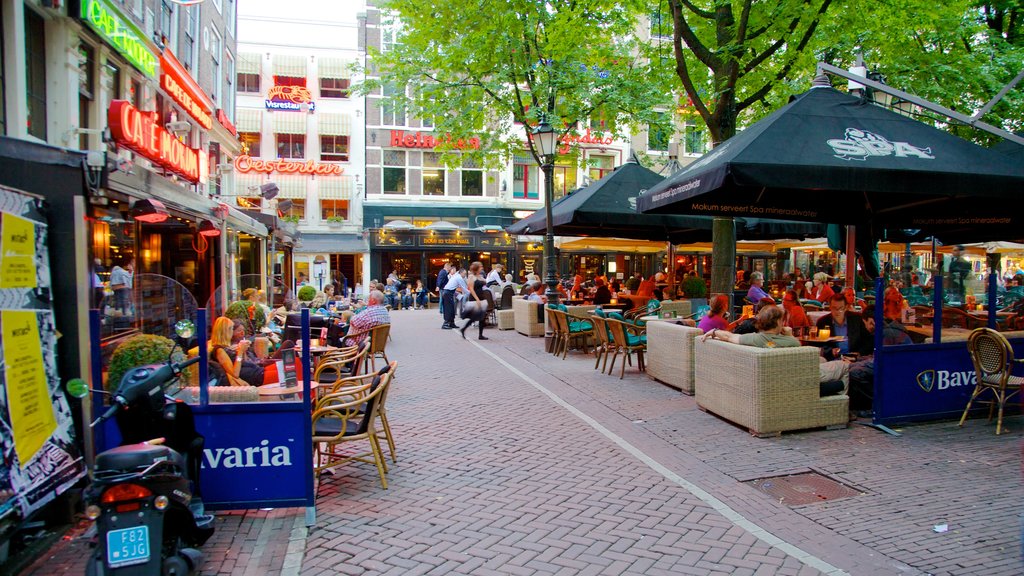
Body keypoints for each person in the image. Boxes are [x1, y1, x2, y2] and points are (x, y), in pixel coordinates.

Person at [702, 306, 849, 396]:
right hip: (800, 378)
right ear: (779, 322)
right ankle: (839, 398)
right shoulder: (791, 341)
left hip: (777, 377)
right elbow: (801, 357)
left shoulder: (754, 339)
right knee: (845, 365)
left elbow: (730, 337)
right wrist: (788, 333)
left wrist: (714, 332)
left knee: (822, 360)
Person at [846, 304, 912, 414]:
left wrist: (852, 365)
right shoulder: (889, 329)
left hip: (897, 369)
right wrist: (858, 359)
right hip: (899, 365)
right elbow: (878, 357)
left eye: (865, 323)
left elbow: (879, 362)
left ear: (871, 321)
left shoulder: (885, 333)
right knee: (856, 368)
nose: (866, 327)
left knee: (854, 372)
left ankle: (878, 405)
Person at [208, 316, 265, 387]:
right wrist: (240, 352)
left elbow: (244, 361)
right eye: (232, 329)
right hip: (252, 375)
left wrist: (243, 351)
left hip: (255, 371)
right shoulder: (219, 350)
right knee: (280, 373)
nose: (232, 332)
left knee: (279, 368)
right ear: (226, 331)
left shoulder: (227, 347)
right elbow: (235, 374)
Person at [816, 293, 874, 360]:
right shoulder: (823, 322)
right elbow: (818, 344)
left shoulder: (857, 319)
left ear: (846, 307)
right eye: (834, 308)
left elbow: (869, 340)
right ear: (830, 307)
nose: (837, 311)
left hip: (854, 359)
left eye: (841, 308)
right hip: (832, 359)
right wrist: (830, 351)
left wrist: (860, 353)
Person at [459, 262, 490, 340]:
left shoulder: (479, 276)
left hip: (481, 297)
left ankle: (480, 334)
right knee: (475, 316)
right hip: (475, 298)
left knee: (482, 316)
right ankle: (464, 329)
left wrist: (483, 277)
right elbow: (471, 289)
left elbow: (486, 282)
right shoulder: (471, 277)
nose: (482, 268)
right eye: (480, 267)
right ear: (476, 268)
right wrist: (477, 299)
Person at [442, 264, 469, 329]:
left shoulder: (457, 276)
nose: (465, 275)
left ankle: (451, 323)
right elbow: (464, 288)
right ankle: (445, 324)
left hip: (448, 292)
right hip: (448, 293)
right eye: (464, 274)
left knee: (452, 308)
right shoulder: (459, 277)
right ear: (461, 273)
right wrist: (472, 294)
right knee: (449, 309)